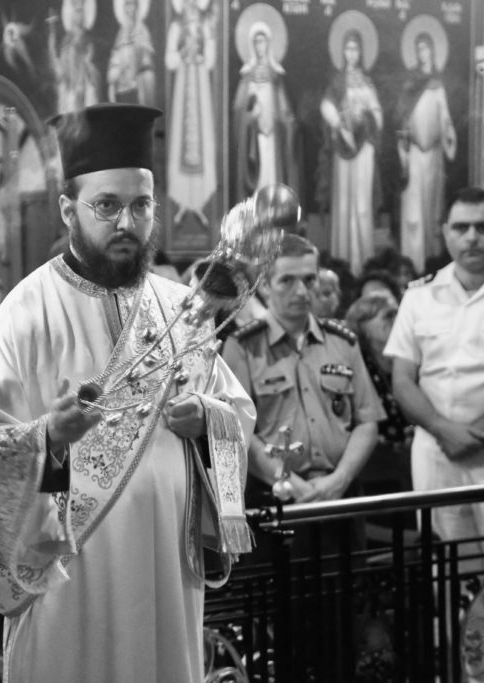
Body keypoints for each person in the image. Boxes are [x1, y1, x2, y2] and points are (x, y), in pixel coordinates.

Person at [0, 104, 255, 682]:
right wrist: (46, 437)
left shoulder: (180, 309)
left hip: (167, 563)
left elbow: (236, 412)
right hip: (71, 571)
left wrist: (207, 419)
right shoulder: (24, 313)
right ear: (69, 209)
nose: (127, 222)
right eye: (107, 206)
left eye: (141, 205)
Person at [221, 234, 383, 557]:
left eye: (309, 279)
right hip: (276, 499)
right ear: (265, 286)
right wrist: (290, 483)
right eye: (287, 281)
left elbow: (367, 421)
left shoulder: (343, 342)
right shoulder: (243, 347)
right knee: (283, 589)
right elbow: (236, 432)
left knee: (345, 587)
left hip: (341, 494)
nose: (301, 291)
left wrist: (340, 479)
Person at [384, 187, 484, 571]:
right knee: (447, 567)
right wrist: (445, 430)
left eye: (481, 226)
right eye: (461, 227)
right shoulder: (419, 296)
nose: (472, 236)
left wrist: (474, 435)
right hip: (436, 449)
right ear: (445, 232)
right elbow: (403, 380)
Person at [320, 29, 382, 275]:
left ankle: (364, 261)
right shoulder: (337, 81)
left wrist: (369, 117)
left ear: (361, 52)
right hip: (344, 148)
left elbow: (377, 114)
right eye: (348, 48)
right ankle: (343, 262)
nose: (352, 53)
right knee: (344, 202)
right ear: (342, 52)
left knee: (362, 202)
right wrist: (340, 126)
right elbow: (326, 105)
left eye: (356, 49)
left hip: (364, 146)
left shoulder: (367, 82)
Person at [398, 31, 456, 274]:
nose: (423, 53)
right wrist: (403, 150)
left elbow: (445, 117)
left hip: (433, 155)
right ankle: (413, 263)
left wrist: (448, 135)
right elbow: (402, 117)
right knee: (413, 212)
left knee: (432, 208)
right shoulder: (411, 83)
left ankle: (432, 262)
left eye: (426, 48)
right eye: (419, 48)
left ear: (433, 50)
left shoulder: (439, 83)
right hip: (414, 154)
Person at [344, 293, 412, 495]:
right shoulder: (354, 363)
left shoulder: (410, 358)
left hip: (413, 457)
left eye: (398, 313)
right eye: (388, 315)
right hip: (374, 465)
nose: (397, 319)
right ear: (362, 325)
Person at [232, 20, 300, 202]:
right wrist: (250, 117)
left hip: (273, 136)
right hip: (255, 137)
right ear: (251, 45)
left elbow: (284, 109)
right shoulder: (247, 76)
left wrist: (288, 122)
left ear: (268, 44)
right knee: (259, 178)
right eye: (256, 42)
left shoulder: (276, 75)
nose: (259, 46)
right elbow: (238, 110)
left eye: (262, 41)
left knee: (272, 175)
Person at [166, 0, 217, 227]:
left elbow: (211, 61)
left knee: (202, 142)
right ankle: (182, 202)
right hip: (183, 84)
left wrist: (207, 48)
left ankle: (199, 202)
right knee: (181, 141)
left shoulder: (205, 25)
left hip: (200, 84)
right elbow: (169, 60)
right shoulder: (176, 27)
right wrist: (181, 54)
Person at [47, 0, 100, 114]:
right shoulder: (66, 41)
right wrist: (53, 51)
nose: (78, 16)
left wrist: (86, 64)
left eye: (80, 11)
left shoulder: (88, 39)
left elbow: (91, 65)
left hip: (84, 86)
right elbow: (61, 68)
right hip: (70, 87)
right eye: (76, 12)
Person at [106, 0, 156, 105]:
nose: (130, 9)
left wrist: (137, 55)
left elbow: (147, 61)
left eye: (132, 4)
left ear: (137, 7)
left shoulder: (142, 31)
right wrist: (116, 71)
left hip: (138, 88)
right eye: (127, 5)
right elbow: (115, 61)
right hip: (123, 89)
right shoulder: (120, 34)